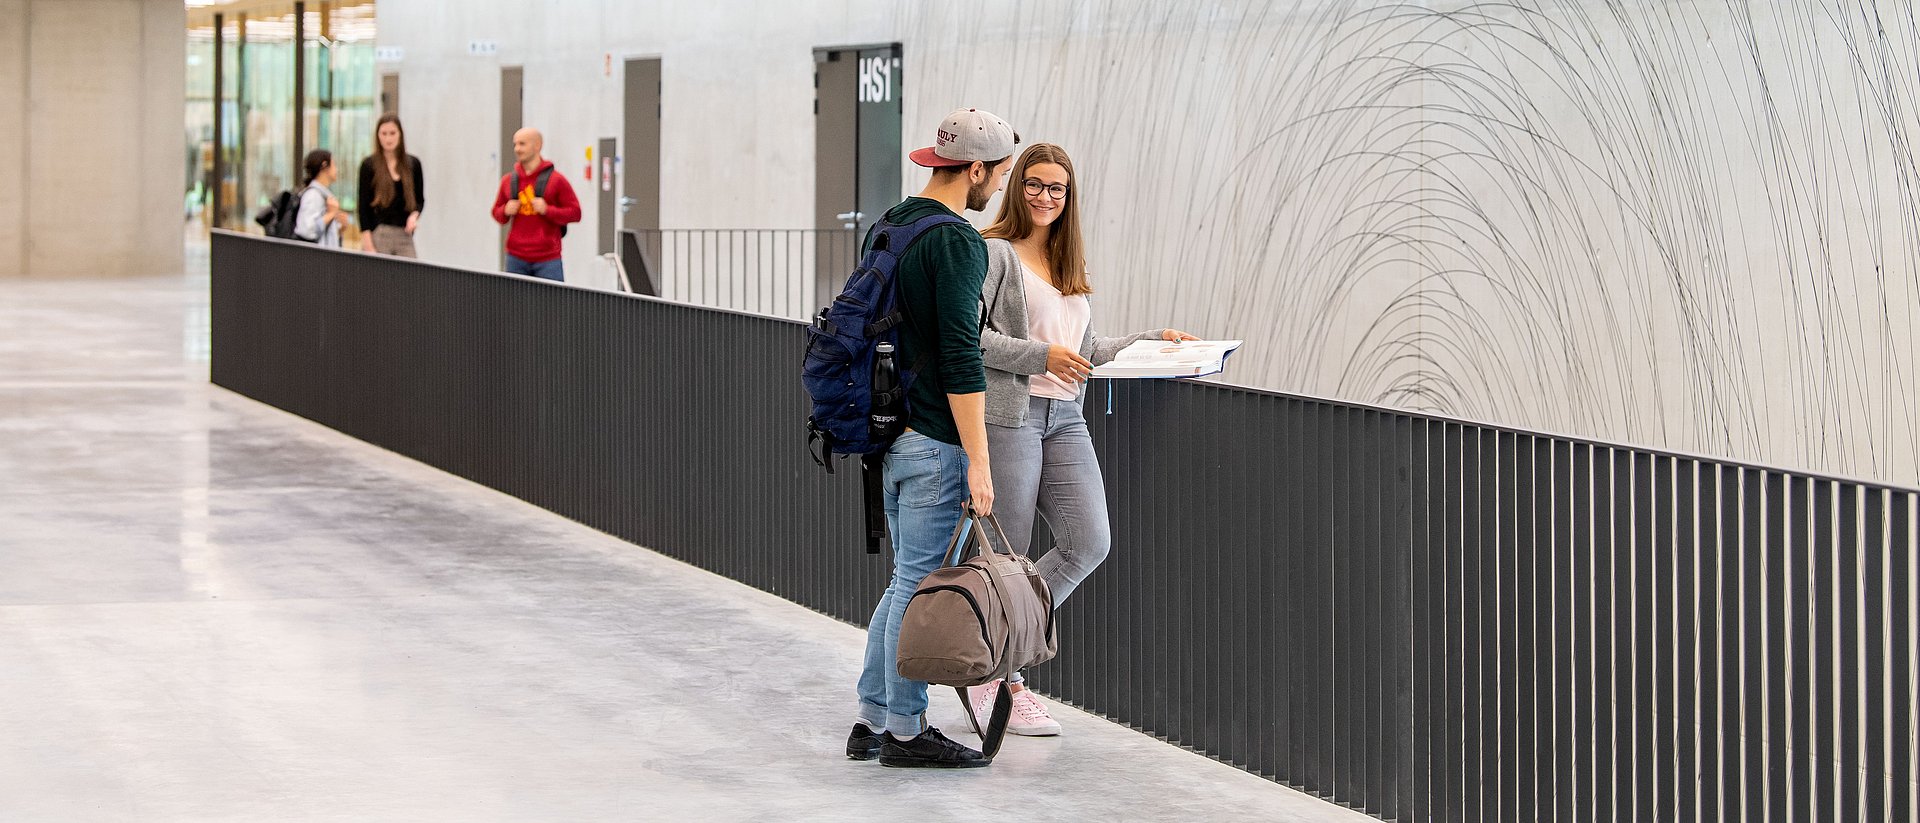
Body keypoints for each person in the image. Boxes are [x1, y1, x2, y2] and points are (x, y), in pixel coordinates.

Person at [963, 142, 1196, 737]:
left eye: (1058, 189)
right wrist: (1043, 355)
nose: (1046, 197)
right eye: (1036, 185)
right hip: (1011, 415)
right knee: (1005, 557)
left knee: (1089, 541)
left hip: (1066, 418)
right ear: (1018, 189)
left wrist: (1153, 343)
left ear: (1070, 199)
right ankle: (1000, 679)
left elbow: (1084, 354)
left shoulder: (1068, 268)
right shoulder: (995, 255)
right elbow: (971, 339)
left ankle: (998, 656)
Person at [848, 108, 1019, 769]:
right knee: (919, 583)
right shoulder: (956, 242)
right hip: (932, 441)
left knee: (903, 582)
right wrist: (979, 459)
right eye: (998, 176)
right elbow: (960, 355)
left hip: (886, 436)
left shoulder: (888, 224)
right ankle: (906, 728)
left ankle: (870, 718)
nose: (996, 189)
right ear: (973, 170)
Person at [489, 128, 580, 281]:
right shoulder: (508, 180)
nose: (517, 149)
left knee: (551, 304)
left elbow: (575, 213)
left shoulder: (557, 180)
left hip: (548, 259)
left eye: (522, 144)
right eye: (515, 144)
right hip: (515, 258)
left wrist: (547, 210)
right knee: (515, 304)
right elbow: (496, 213)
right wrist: (505, 210)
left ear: (537, 145)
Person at [358, 113, 425, 257]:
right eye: (384, 133)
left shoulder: (413, 164)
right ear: (378, 136)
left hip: (404, 234)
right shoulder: (369, 165)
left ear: (400, 134)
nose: (388, 138)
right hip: (379, 233)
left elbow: (420, 200)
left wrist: (414, 216)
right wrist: (368, 243)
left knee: (411, 276)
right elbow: (363, 207)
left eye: (392, 133)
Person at [292, 149, 346, 248]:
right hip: (313, 260)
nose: (336, 170)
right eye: (334, 165)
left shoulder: (324, 196)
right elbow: (307, 230)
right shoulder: (313, 195)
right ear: (325, 166)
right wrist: (331, 214)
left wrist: (341, 228)